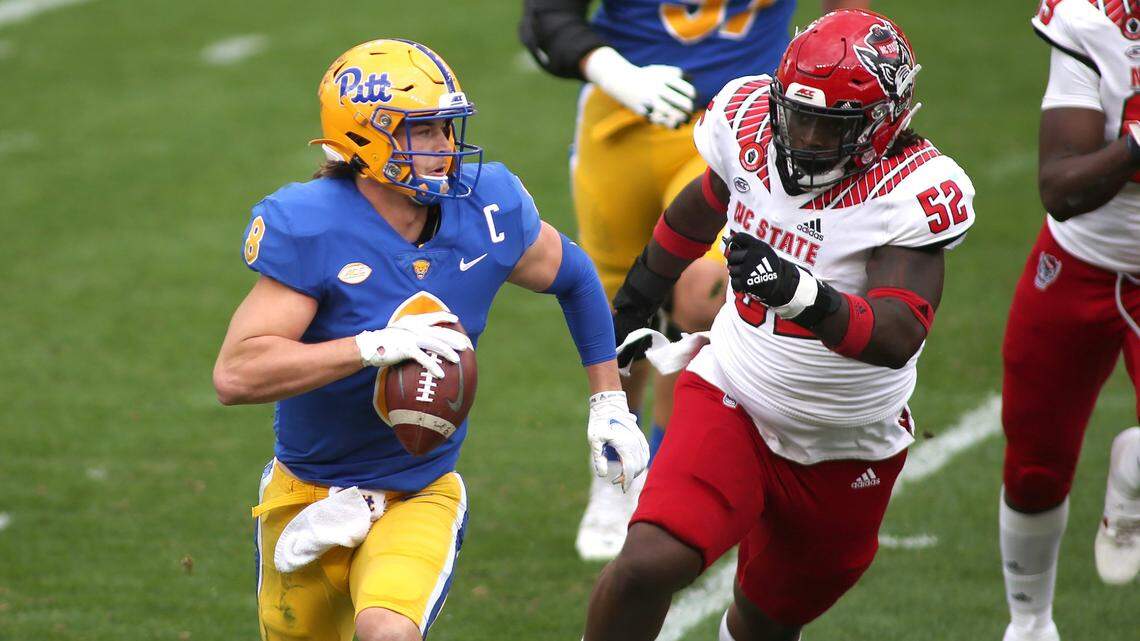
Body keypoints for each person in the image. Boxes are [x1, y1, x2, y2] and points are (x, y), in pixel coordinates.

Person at [211, 39, 649, 641]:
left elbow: (575, 276)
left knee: (388, 633)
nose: (445, 147)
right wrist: (370, 347)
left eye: (447, 128)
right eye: (424, 132)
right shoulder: (314, 224)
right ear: (366, 137)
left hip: (418, 491)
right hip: (306, 496)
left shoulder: (486, 207)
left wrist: (609, 402)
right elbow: (236, 375)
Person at [580, 9, 977, 640]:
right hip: (734, 393)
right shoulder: (749, 123)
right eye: (798, 115)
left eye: (830, 125)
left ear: (884, 123)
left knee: (766, 622)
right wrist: (636, 297)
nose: (807, 137)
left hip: (848, 441)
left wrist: (801, 294)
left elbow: (899, 334)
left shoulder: (911, 186)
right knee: (649, 563)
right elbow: (706, 202)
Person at [519, 0, 870, 562]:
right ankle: (614, 471)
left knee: (705, 294)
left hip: (745, 124)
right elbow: (545, 16)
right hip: (621, 119)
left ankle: (666, 468)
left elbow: (849, 18)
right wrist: (619, 74)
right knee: (618, 309)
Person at [998, 2, 1140, 638]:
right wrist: (1136, 146)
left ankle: (1134, 469)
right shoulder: (1094, 18)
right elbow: (1060, 186)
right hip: (1078, 257)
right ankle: (1029, 625)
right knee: (1034, 462)